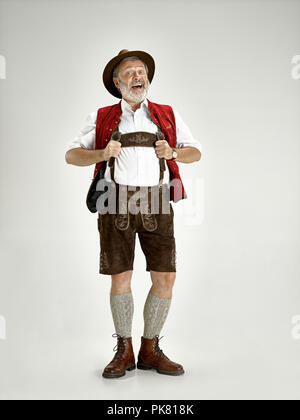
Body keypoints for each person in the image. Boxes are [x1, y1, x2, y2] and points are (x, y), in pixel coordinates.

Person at [65, 49, 202, 378]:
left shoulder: (166, 114)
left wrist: (173, 152)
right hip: (115, 201)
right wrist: (101, 151)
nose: (137, 77)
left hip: (157, 201)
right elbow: (71, 156)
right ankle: (124, 350)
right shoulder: (101, 117)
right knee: (121, 276)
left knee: (165, 276)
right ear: (117, 82)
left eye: (141, 71)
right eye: (129, 73)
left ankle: (150, 349)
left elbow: (195, 153)